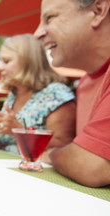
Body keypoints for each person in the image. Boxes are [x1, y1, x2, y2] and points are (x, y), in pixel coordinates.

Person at [0, 34, 76, 154]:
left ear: (28, 62)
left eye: (6, 61)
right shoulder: (14, 95)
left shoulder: (56, 94)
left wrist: (20, 131)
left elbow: (62, 148)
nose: (0, 67)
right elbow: (1, 141)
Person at [34, 0, 110, 187]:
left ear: (98, 11)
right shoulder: (85, 82)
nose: (37, 34)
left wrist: (52, 154)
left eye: (50, 18)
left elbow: (90, 164)